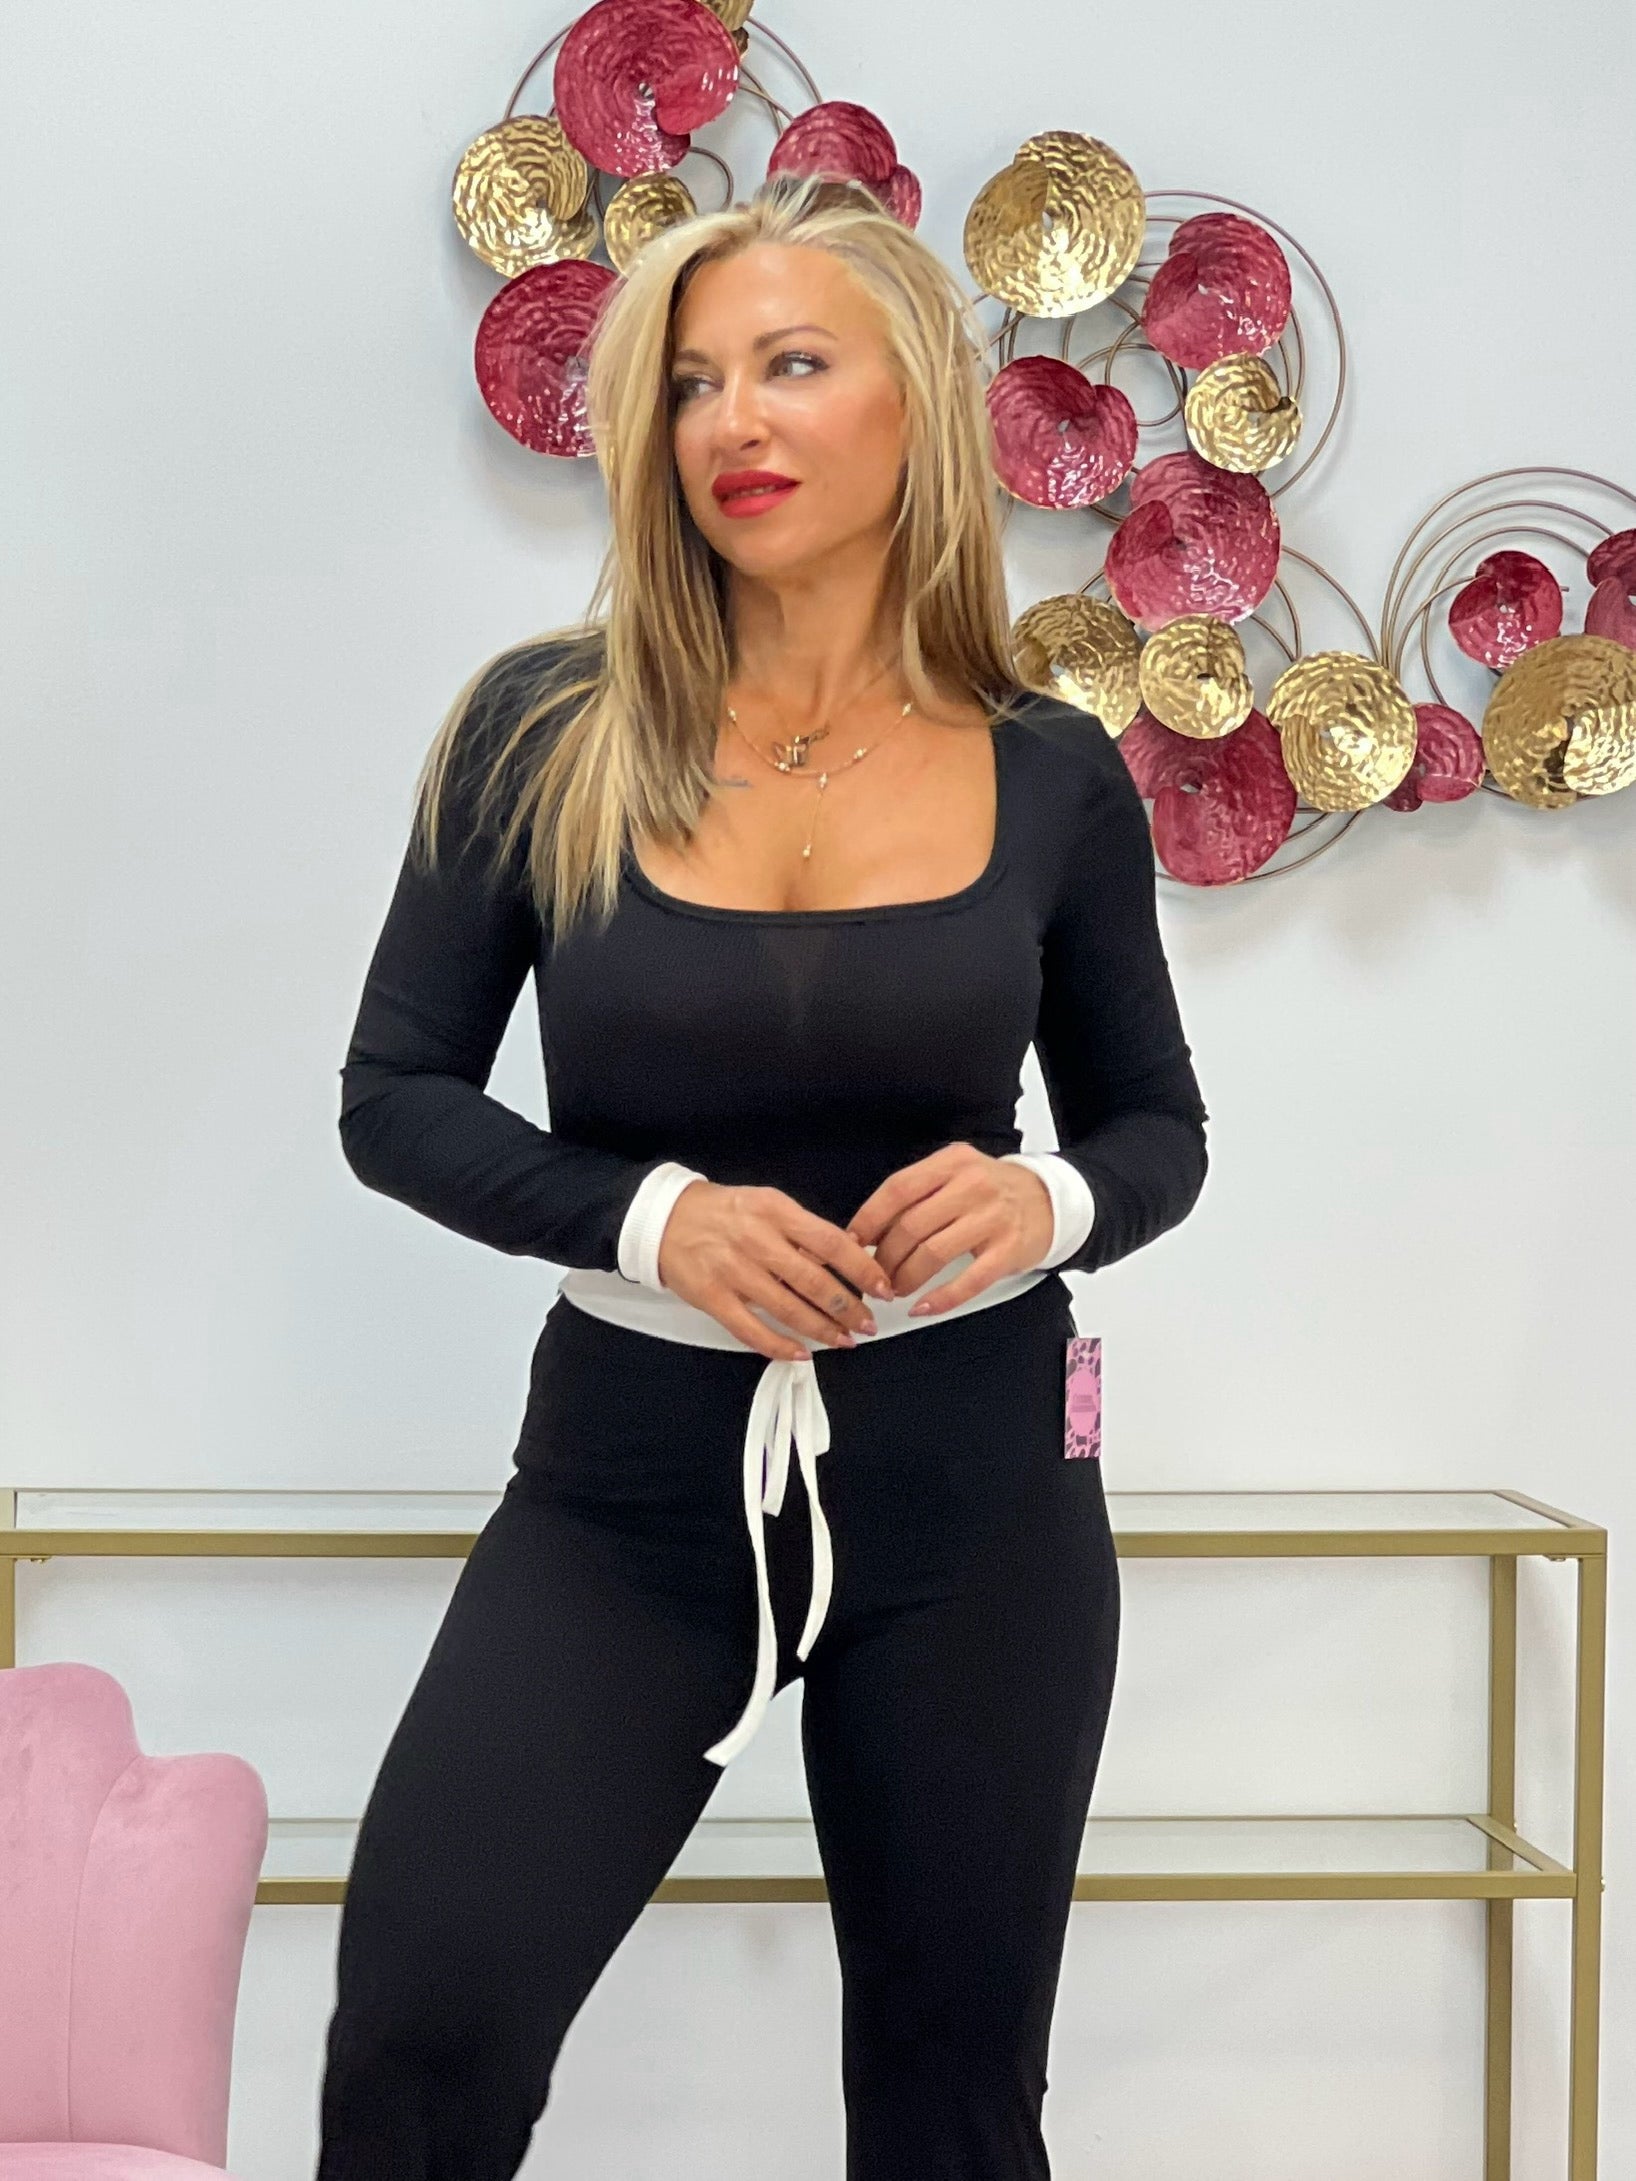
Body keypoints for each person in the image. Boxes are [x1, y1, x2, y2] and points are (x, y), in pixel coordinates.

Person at [315, 169, 1209, 2180]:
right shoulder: (539, 732)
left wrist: (1048, 1202)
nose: (732, 419)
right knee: (425, 2029)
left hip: (978, 1486)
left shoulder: (1050, 768)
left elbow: (1156, 1127)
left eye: (790, 364)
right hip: (627, 1483)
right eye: (690, 381)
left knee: (952, 2101)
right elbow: (392, 1094)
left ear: (914, 403)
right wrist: (650, 1214)